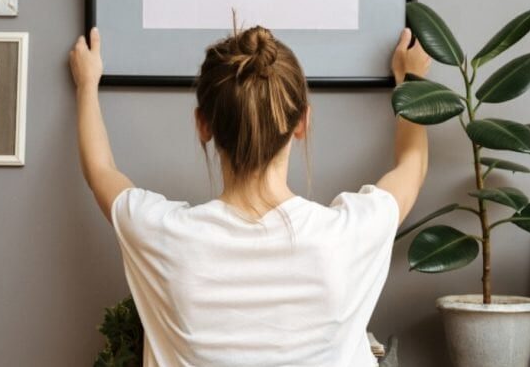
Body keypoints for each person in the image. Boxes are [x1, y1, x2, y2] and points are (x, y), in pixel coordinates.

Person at [70, 25, 431, 367]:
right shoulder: (348, 235)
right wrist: (411, 80)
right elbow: (411, 169)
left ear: (203, 124)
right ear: (303, 122)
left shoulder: (162, 235)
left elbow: (100, 172)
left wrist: (87, 84)